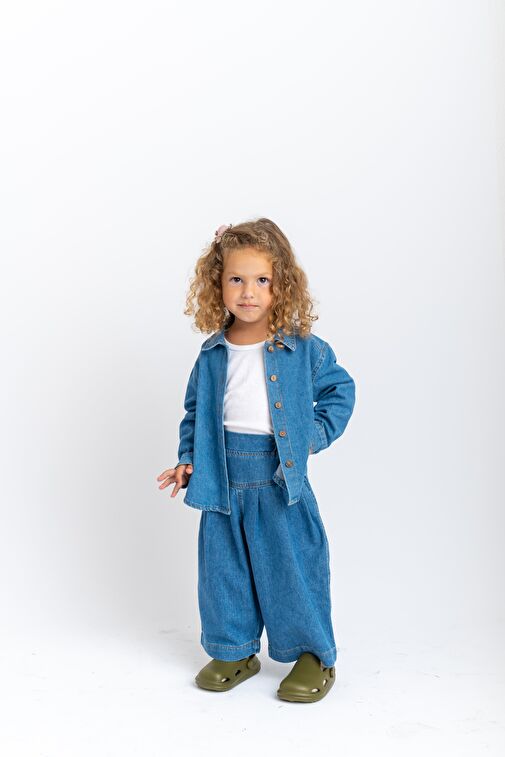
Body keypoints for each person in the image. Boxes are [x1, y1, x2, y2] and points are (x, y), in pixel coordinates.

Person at [157, 217, 356, 703]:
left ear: (281, 284)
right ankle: (234, 648)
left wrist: (310, 437)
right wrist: (188, 460)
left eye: (262, 279)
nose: (248, 292)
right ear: (217, 284)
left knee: (291, 566)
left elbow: (340, 391)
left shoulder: (301, 348)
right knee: (223, 570)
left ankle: (313, 654)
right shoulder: (211, 354)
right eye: (236, 279)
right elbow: (195, 414)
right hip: (221, 478)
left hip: (278, 479)